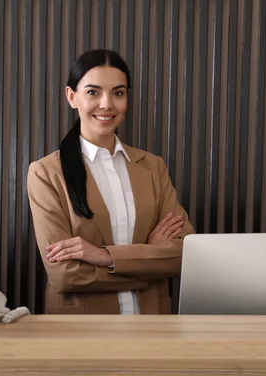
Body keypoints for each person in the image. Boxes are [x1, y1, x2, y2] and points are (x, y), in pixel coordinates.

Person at [27, 49, 195, 314]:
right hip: (82, 333)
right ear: (72, 97)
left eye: (118, 93)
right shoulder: (46, 173)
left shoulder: (153, 167)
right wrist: (148, 259)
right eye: (93, 92)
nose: (107, 104)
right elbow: (65, 276)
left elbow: (185, 254)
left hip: (152, 325)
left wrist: (105, 256)